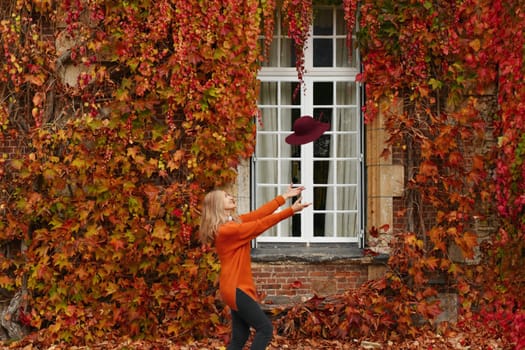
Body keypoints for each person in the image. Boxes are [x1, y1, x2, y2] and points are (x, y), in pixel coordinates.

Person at [199, 185, 311, 350]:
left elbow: (259, 214)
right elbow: (259, 225)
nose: (231, 197)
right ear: (217, 205)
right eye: (226, 196)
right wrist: (290, 211)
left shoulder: (231, 224)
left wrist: (284, 197)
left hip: (232, 287)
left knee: (240, 336)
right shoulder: (228, 230)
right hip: (236, 288)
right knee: (265, 329)